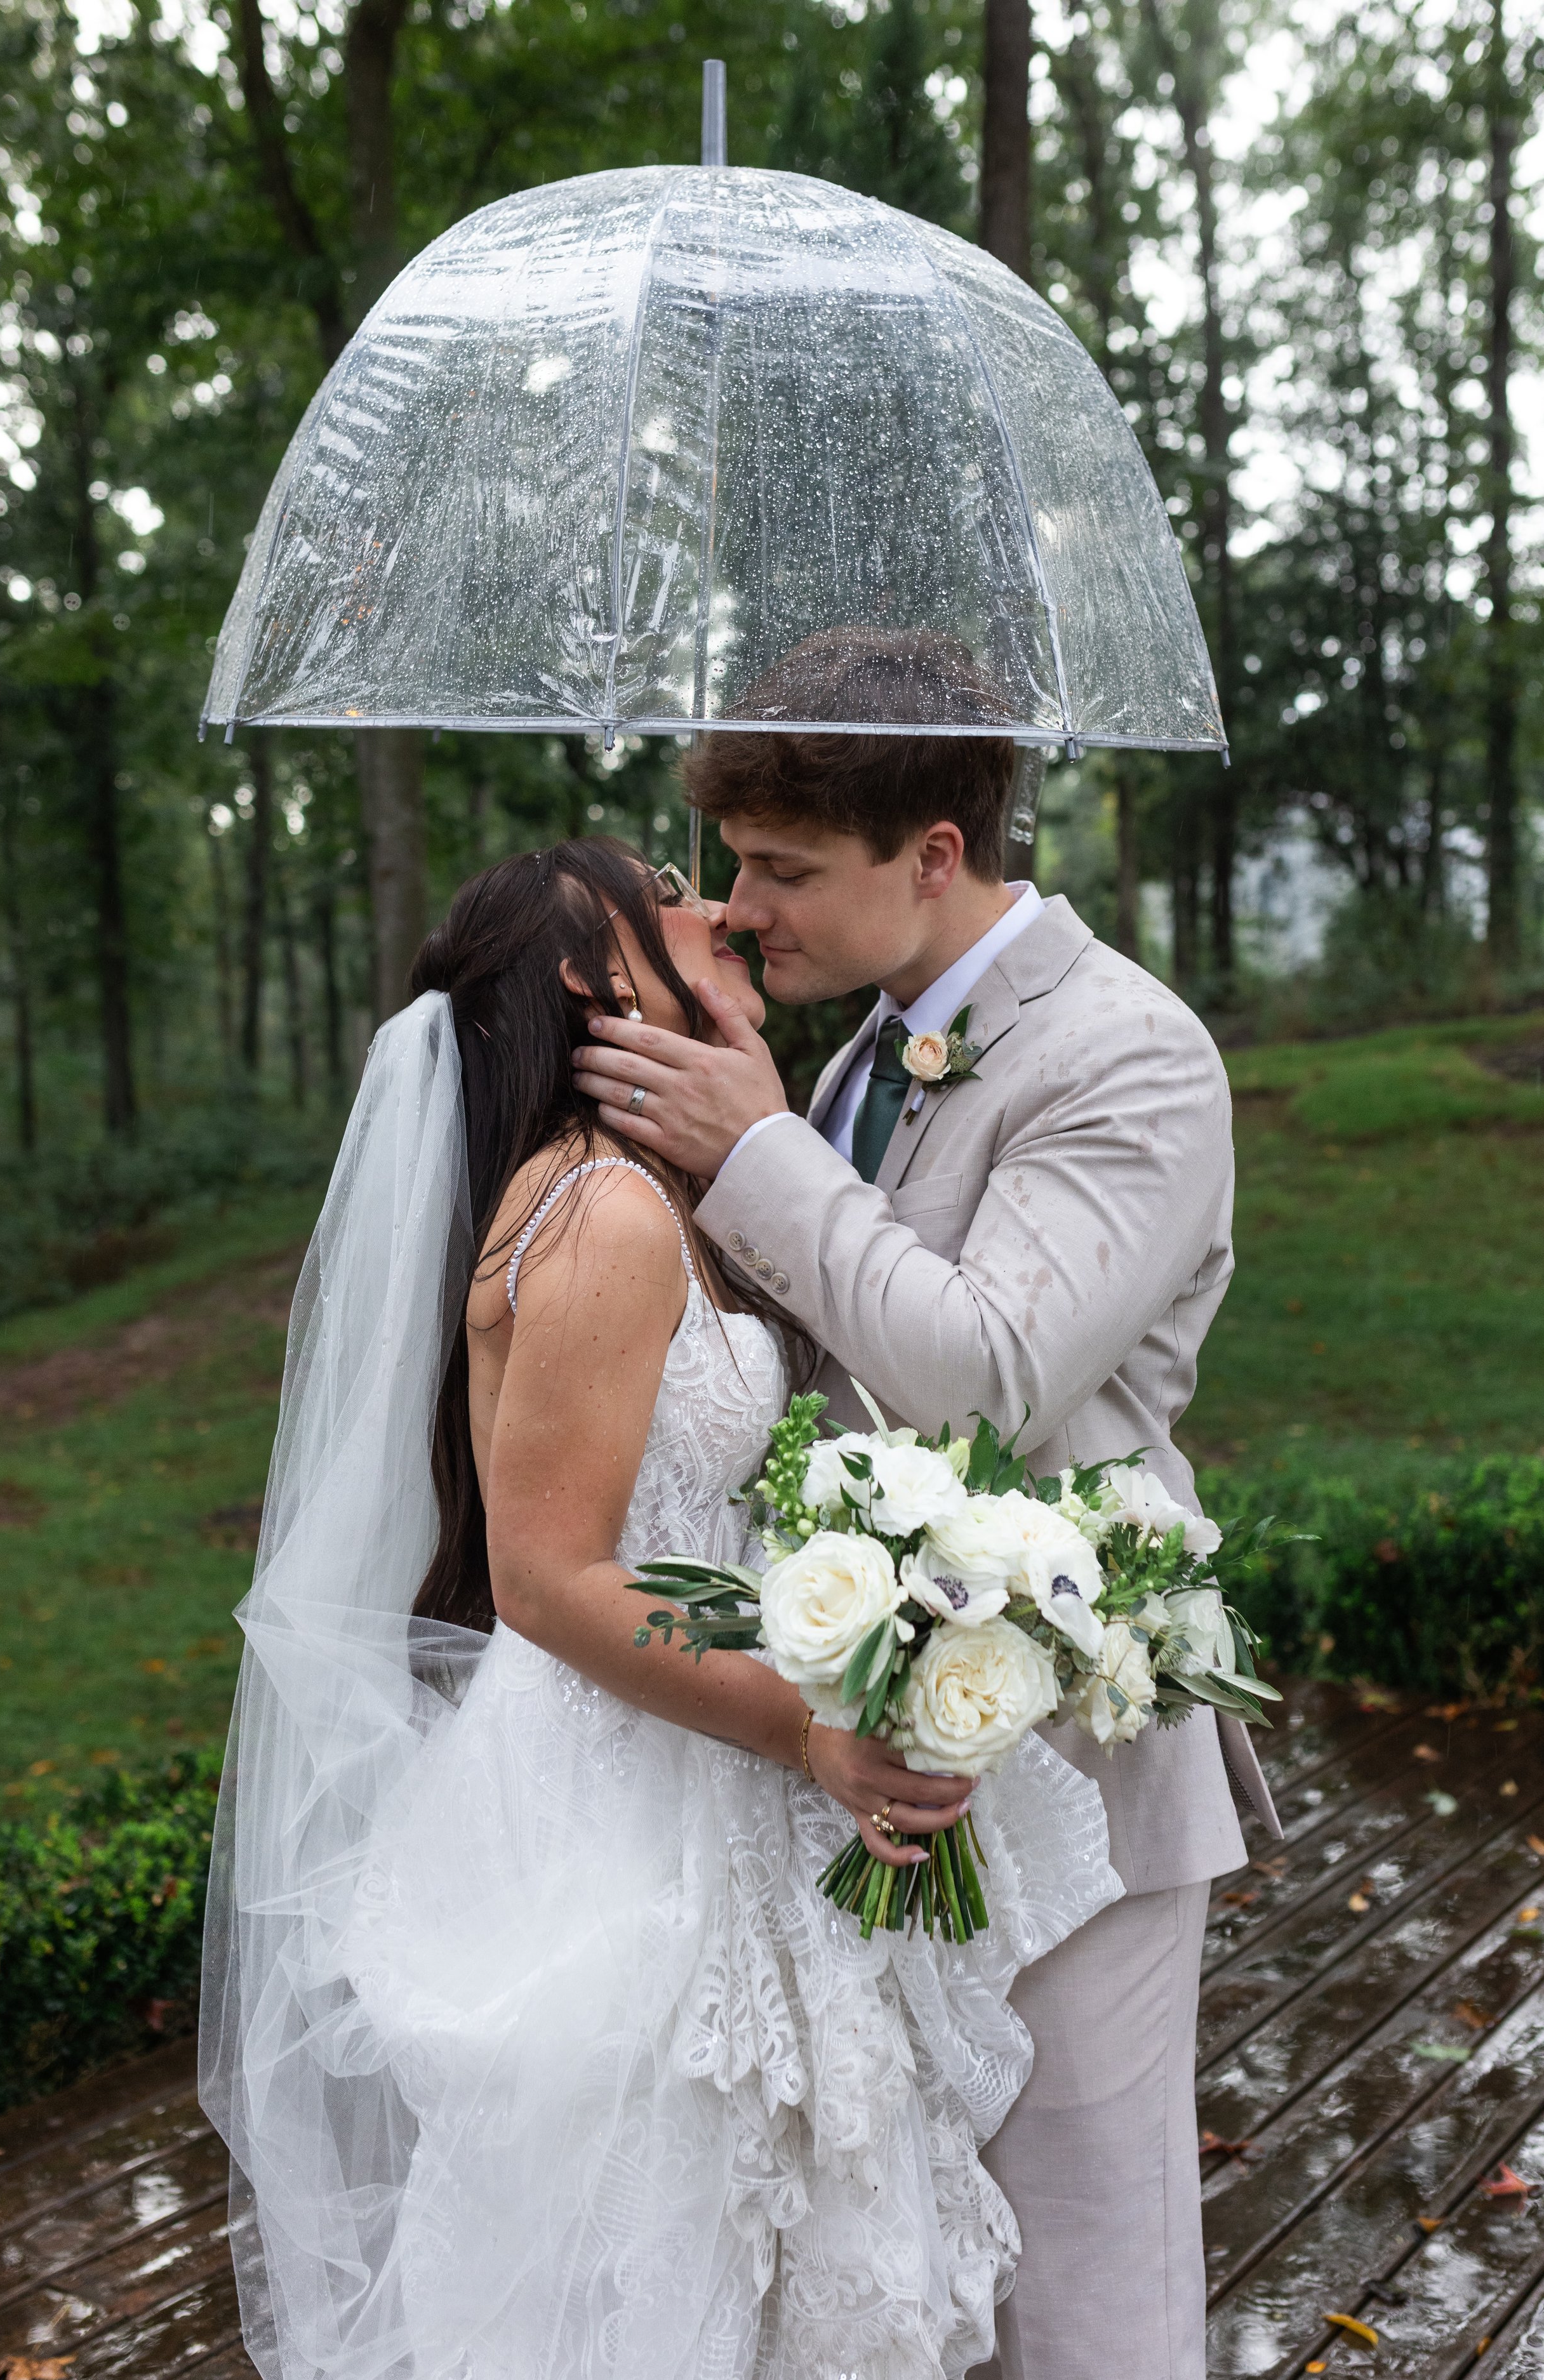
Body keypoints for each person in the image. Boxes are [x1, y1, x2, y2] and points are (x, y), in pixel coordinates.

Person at [199, 834, 1119, 2380]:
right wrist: (810, 1733)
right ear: (589, 970)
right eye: (667, 887)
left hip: (690, 1769)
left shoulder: (650, 1190)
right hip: (633, 1809)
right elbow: (547, 1582)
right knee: (658, 2263)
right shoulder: (602, 1216)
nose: (713, 905)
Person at [569, 636, 1284, 2380]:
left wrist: (753, 1154)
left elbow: (986, 1372)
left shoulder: (1128, 1055)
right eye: (735, 860)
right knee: (909, 2254)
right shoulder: (857, 1059)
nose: (743, 908)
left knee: (1084, 2272)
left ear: (936, 852)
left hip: (1075, 1751)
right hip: (869, 1739)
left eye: (784, 867)